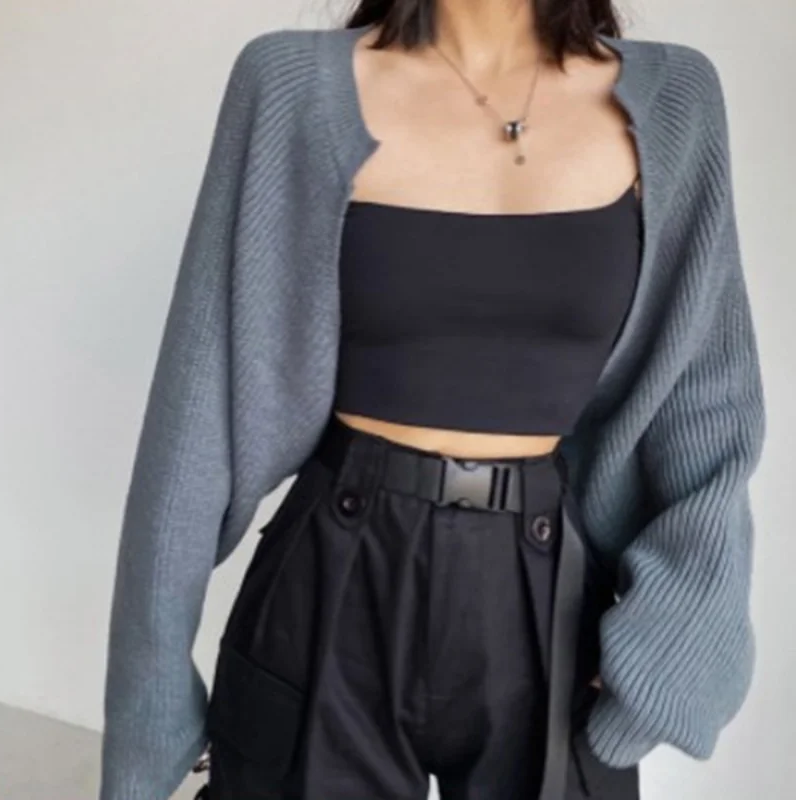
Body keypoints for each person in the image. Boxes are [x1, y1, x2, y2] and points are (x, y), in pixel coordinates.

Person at [98, 2, 768, 799]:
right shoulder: (290, 84)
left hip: (551, 592)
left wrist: (680, 628)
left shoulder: (677, 99)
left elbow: (705, 400)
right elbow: (197, 417)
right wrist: (148, 700)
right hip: (334, 575)